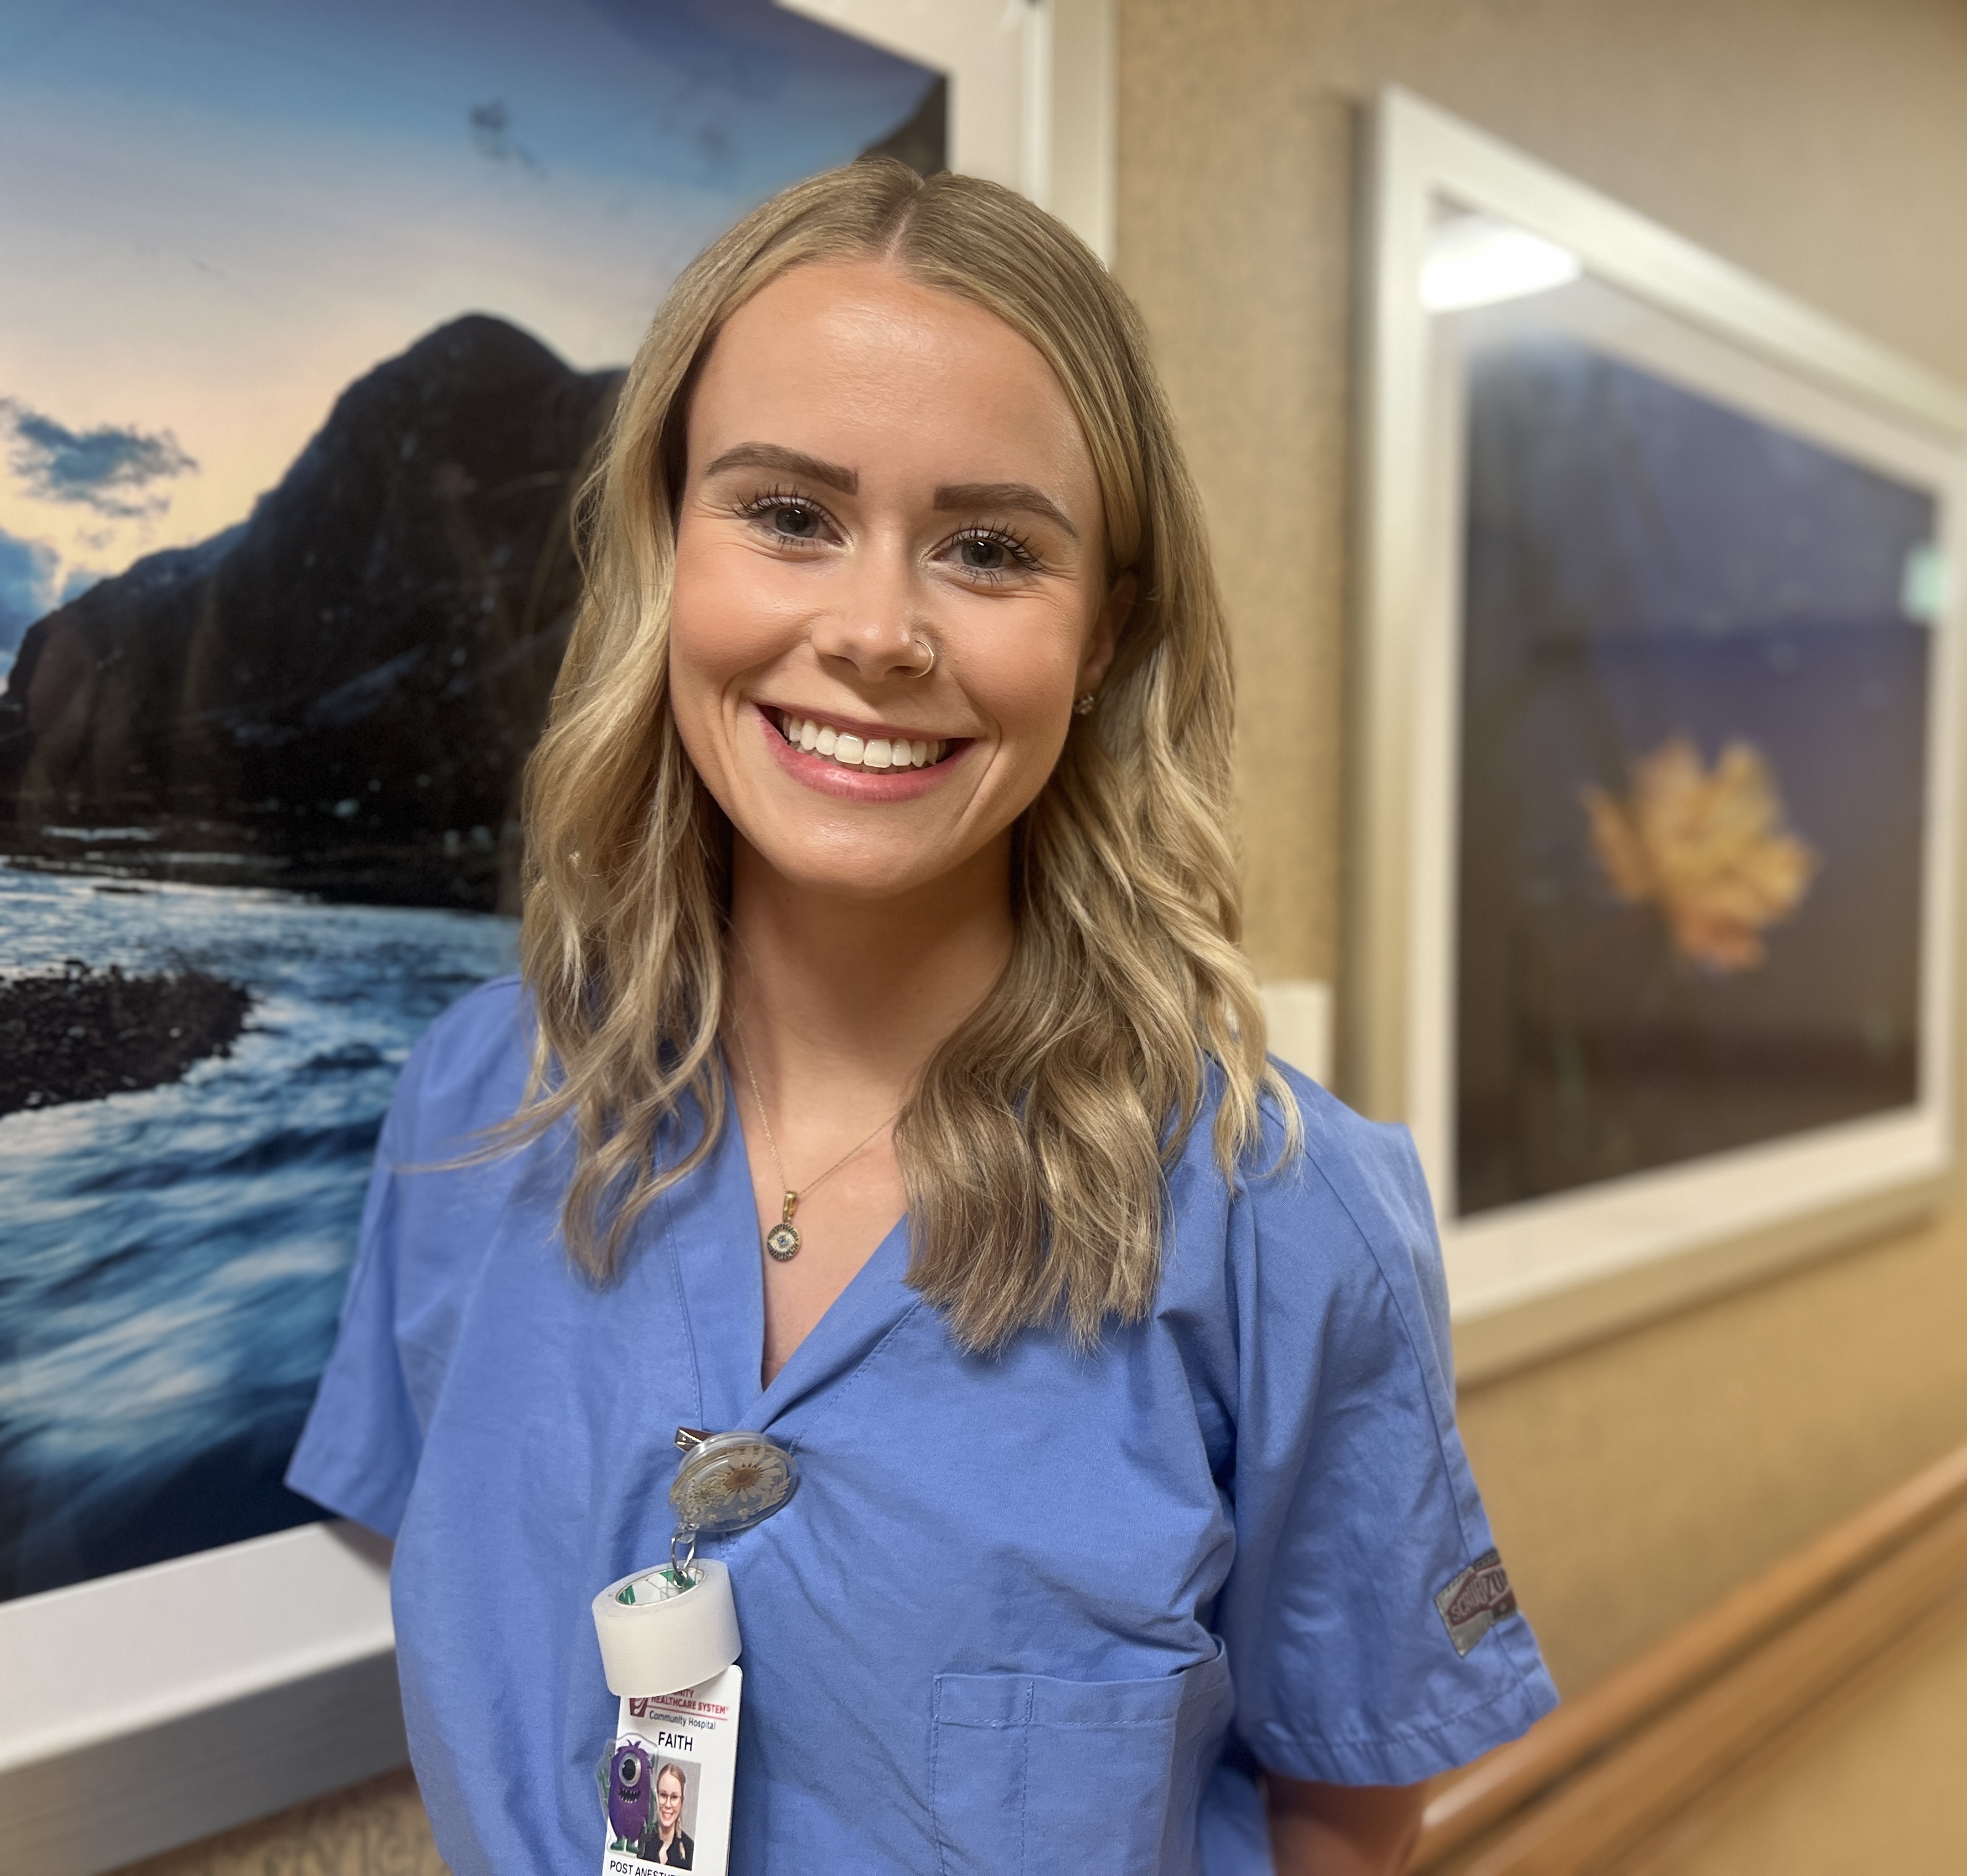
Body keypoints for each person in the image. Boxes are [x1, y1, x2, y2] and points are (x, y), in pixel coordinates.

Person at [287, 158, 1554, 1873]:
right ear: (668, 552)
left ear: (1105, 633)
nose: (875, 632)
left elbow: (1342, 1806)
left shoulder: (1279, 1217)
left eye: (985, 549)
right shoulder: (471, 1106)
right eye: (787, 515)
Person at [636, 1762, 692, 1869]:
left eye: (674, 1797)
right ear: (656, 1797)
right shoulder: (639, 1840)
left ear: (682, 1801)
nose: (668, 1804)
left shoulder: (690, 1850)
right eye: (663, 1795)